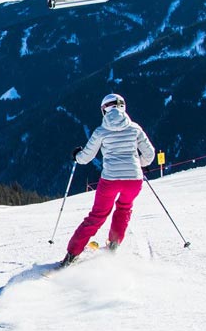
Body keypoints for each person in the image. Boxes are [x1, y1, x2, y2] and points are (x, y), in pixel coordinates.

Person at [61, 94, 155, 267]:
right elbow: (149, 154)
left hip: (110, 180)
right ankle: (113, 245)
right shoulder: (135, 129)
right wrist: (137, 164)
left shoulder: (101, 131)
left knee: (97, 216)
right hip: (134, 180)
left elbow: (85, 158)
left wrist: (76, 155)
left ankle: (71, 255)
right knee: (124, 209)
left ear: (104, 110)